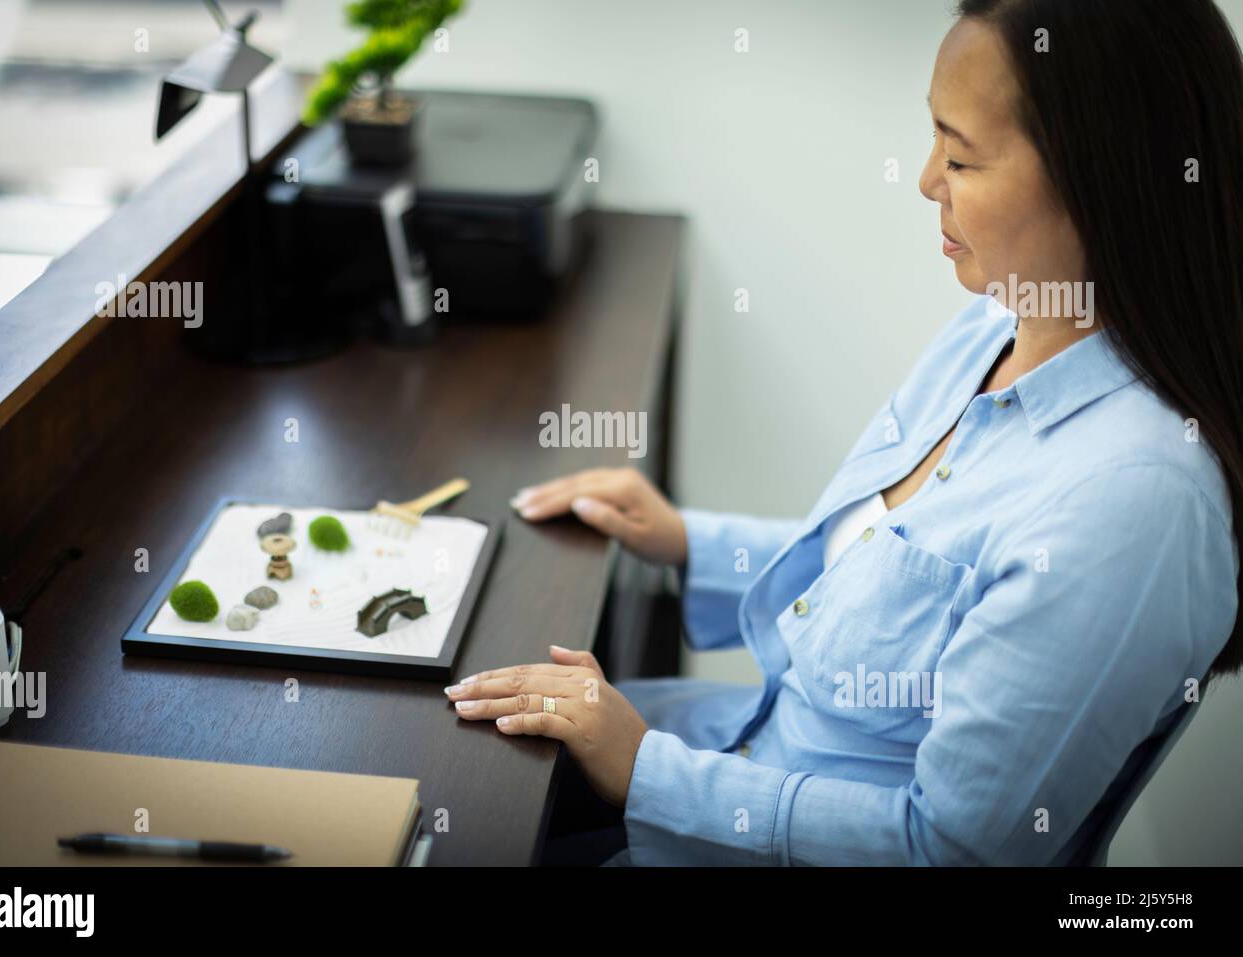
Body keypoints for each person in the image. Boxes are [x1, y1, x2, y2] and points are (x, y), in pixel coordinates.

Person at [445, 0, 1243, 864]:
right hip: (738, 746)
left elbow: (945, 847)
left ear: (1102, 180)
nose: (927, 178)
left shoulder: (1135, 505)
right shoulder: (999, 324)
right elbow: (902, 583)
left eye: (962, 154)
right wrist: (688, 542)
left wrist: (645, 769)